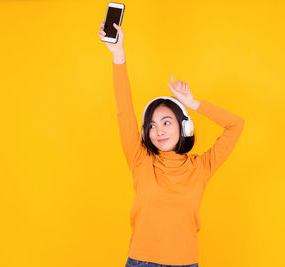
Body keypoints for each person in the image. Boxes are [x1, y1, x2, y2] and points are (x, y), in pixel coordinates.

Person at [98, 22, 245, 267]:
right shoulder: (140, 160)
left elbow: (236, 125)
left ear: (183, 127)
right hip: (141, 262)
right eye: (152, 126)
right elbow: (124, 110)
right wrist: (118, 55)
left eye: (166, 122)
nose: (158, 131)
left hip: (185, 263)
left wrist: (195, 103)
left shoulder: (201, 167)